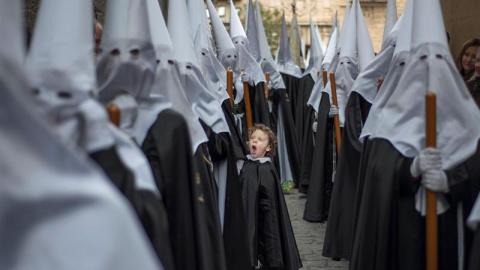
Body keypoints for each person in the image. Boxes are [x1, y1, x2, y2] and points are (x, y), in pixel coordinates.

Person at [240, 124, 302, 270]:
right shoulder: (245, 165)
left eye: (260, 139)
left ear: (268, 148)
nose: (254, 141)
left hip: (264, 221)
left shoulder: (267, 170)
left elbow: (271, 206)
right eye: (252, 138)